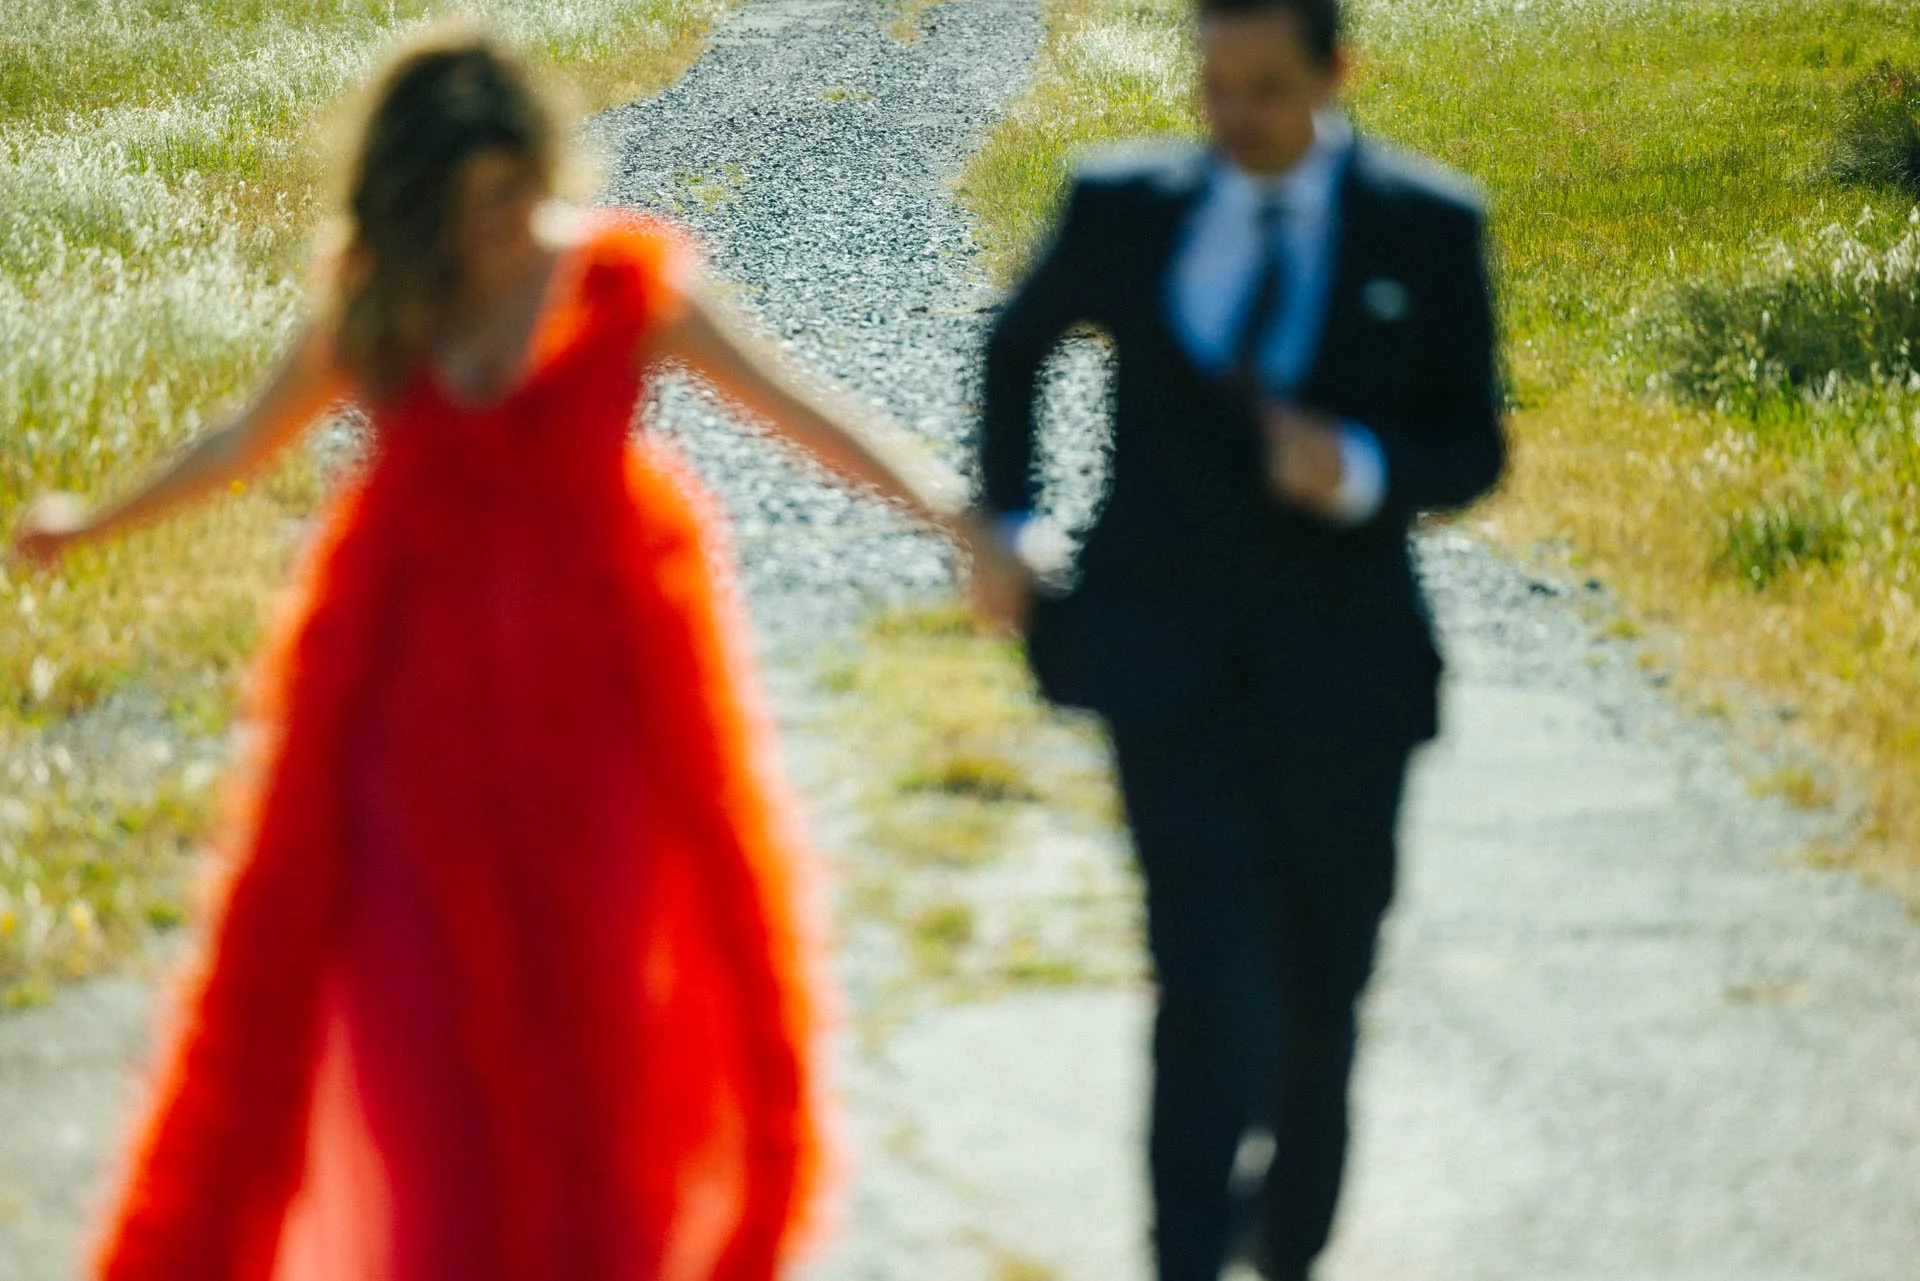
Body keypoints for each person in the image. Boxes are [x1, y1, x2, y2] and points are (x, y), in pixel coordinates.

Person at [10, 25, 1009, 1281]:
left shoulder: (623, 286)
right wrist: (90, 523)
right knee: (425, 1083)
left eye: (512, 193)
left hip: (598, 735)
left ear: (542, 169)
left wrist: (950, 508)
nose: (494, 228)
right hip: (401, 741)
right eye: (464, 203)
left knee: (596, 1067)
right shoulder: (383, 299)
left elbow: (801, 411)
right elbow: (240, 441)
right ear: (413, 198)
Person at [972, 0, 1507, 1277]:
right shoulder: (1124, 204)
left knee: (1320, 1003)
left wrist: (1365, 468)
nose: (1235, 117)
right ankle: (1186, 1257)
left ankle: (1288, 1248)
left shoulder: (1426, 226)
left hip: (1349, 679)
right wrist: (1005, 517)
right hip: (1165, 667)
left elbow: (1474, 449)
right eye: (1214, 86)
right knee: (1202, 988)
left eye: (1266, 89)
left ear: (1336, 72)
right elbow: (1016, 347)